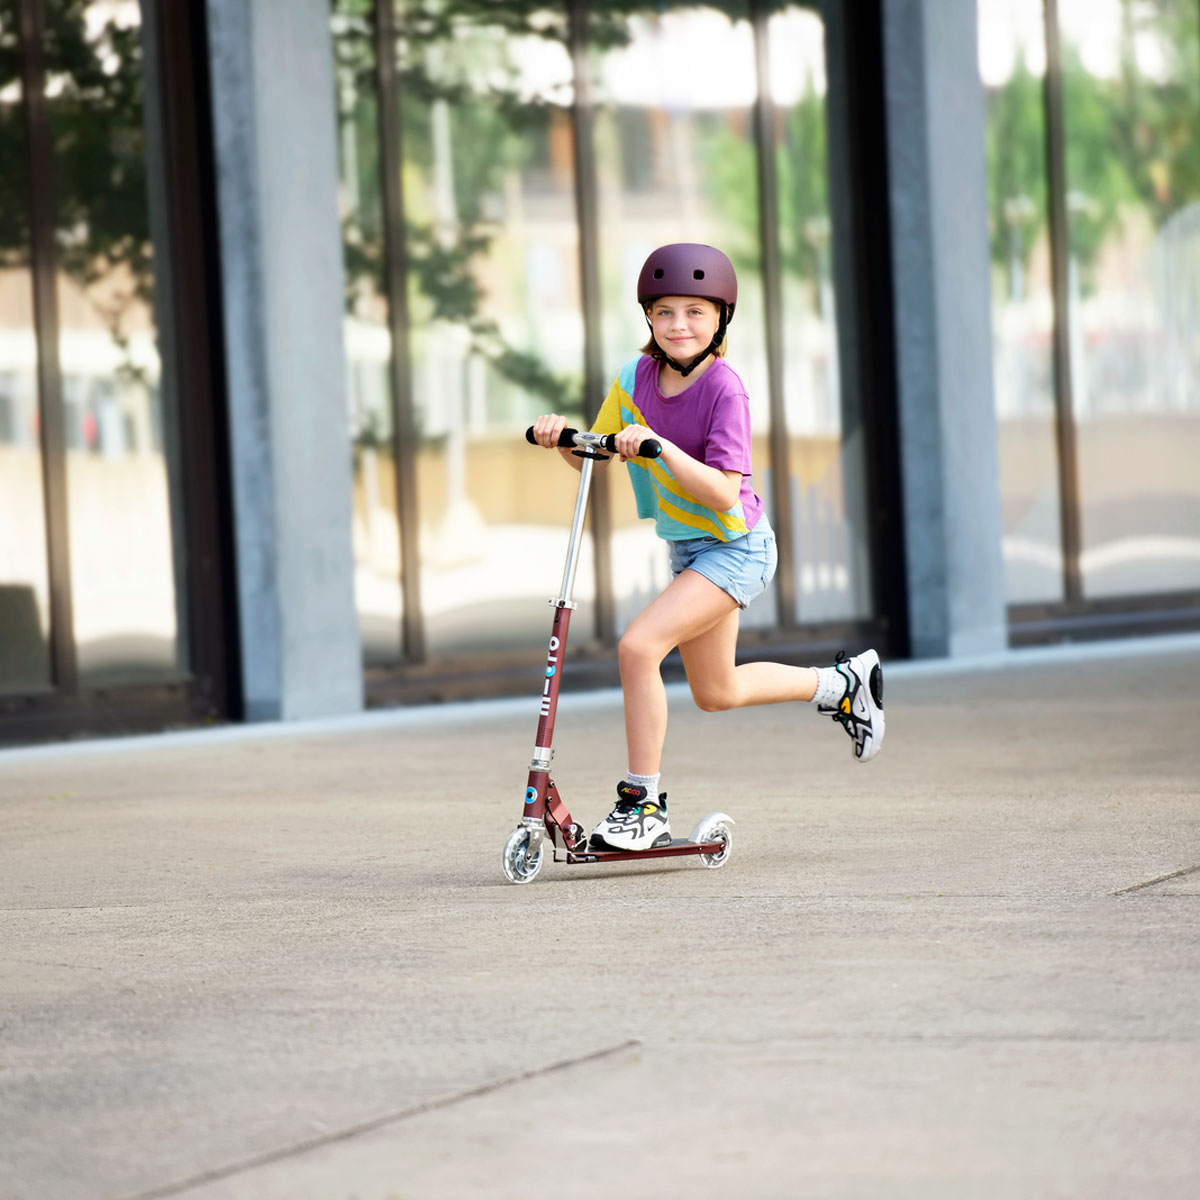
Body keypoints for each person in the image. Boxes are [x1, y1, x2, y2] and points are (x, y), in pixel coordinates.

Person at [531, 243, 884, 852]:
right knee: (715, 692)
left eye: (696, 312)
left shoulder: (726, 389)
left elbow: (724, 494)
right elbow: (596, 451)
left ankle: (642, 802)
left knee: (638, 648)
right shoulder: (633, 379)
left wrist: (662, 448)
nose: (679, 325)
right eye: (665, 312)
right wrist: (561, 437)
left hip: (737, 547)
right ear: (648, 317)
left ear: (721, 317)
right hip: (690, 551)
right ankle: (842, 686)